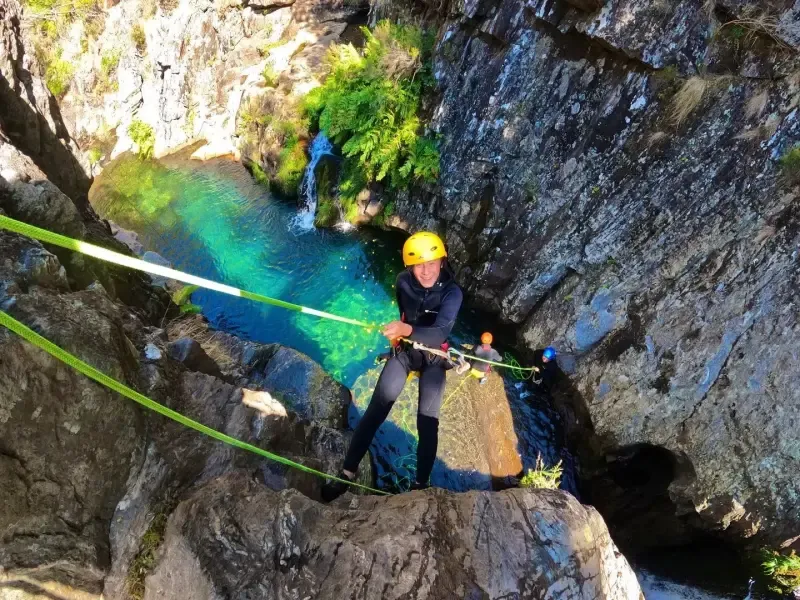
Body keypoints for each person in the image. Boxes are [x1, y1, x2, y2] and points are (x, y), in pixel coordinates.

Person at [321, 231, 463, 501]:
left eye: (432, 263)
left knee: (427, 422)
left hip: (434, 357)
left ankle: (420, 485)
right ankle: (347, 473)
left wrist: (405, 329)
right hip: (406, 352)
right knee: (375, 410)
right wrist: (399, 336)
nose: (426, 271)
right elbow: (404, 312)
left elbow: (440, 333)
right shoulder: (402, 282)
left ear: (442, 261)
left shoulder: (452, 293)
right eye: (419, 265)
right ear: (409, 266)